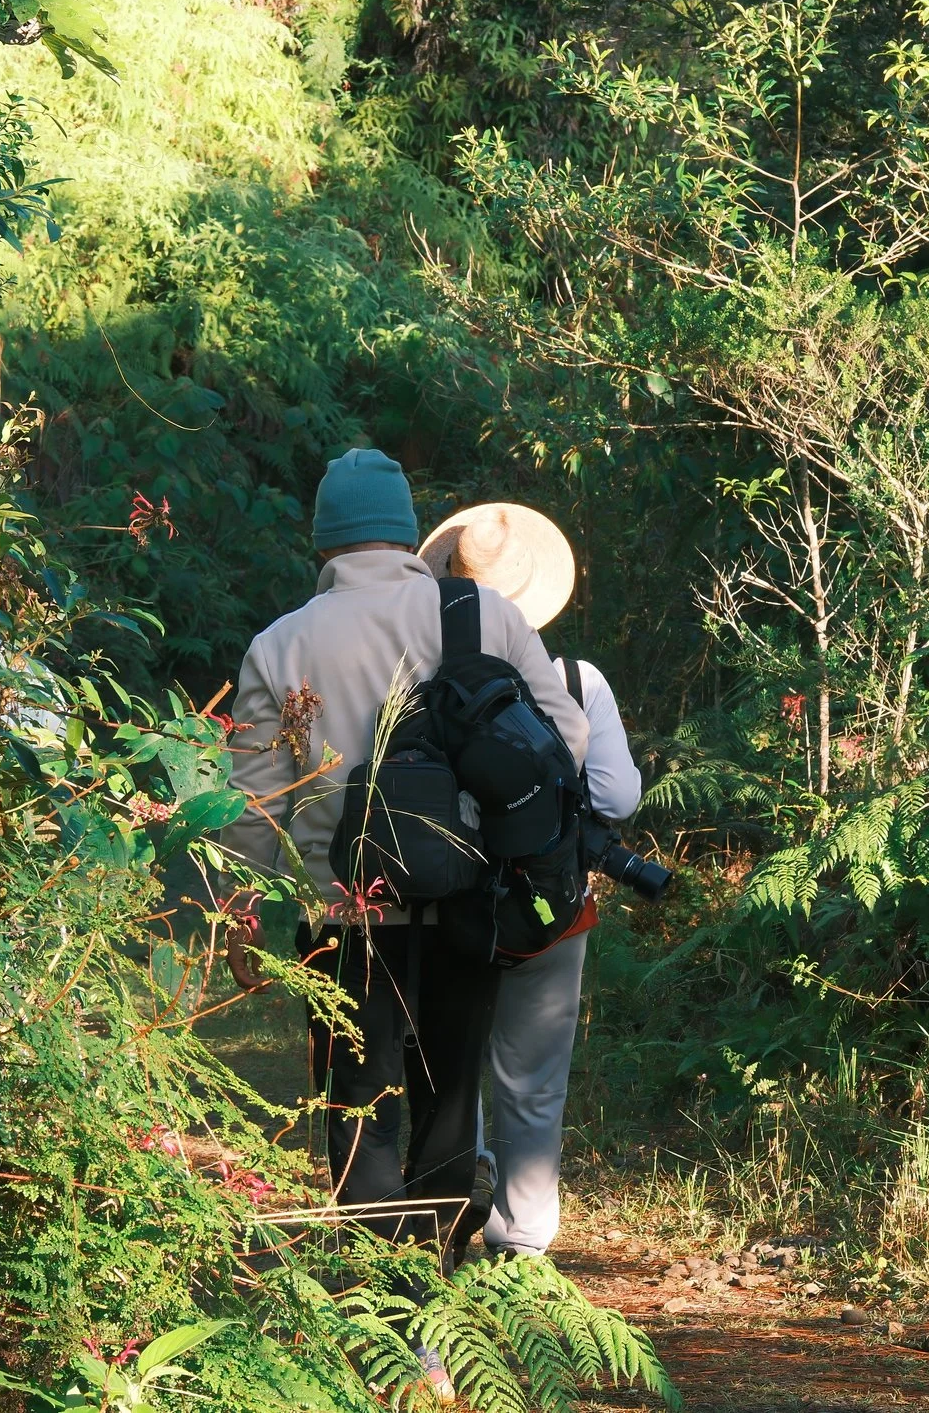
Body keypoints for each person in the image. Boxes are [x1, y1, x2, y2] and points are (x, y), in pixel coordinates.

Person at [218, 451, 589, 1260]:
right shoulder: (482, 615)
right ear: (405, 533)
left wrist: (242, 922)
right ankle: (440, 1295)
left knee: (360, 1112)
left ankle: (394, 1312)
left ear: (324, 541)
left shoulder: (281, 644)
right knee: (450, 1102)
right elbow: (570, 737)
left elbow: (253, 807)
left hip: (343, 918)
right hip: (468, 902)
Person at [420, 503, 642, 1259]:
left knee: (449, 1063)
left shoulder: (424, 675)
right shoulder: (579, 681)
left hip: (446, 904)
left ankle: (454, 1200)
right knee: (534, 1078)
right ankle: (522, 1242)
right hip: (552, 911)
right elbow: (615, 798)